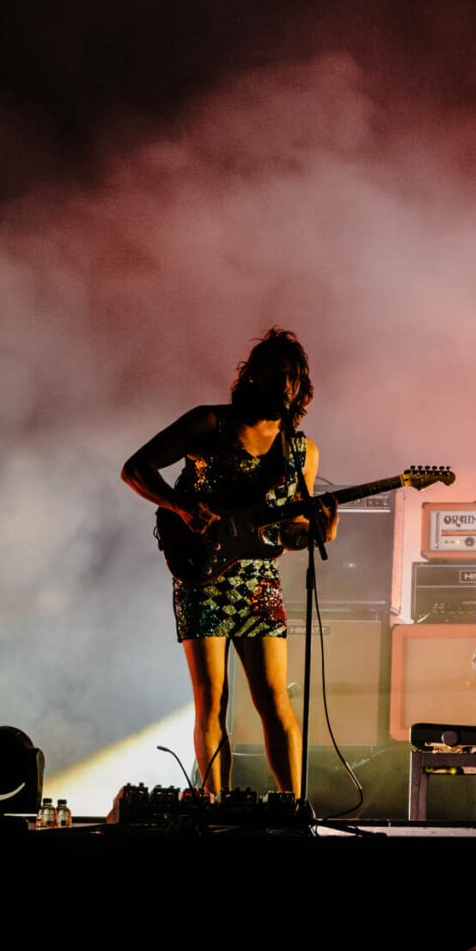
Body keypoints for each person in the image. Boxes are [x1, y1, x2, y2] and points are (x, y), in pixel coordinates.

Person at [121, 328, 339, 796]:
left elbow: (292, 532)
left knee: (276, 702)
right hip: (201, 574)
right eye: (278, 374)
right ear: (253, 376)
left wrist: (320, 530)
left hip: (259, 580)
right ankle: (212, 810)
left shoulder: (302, 451)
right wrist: (180, 507)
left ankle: (293, 807)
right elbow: (136, 468)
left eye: (295, 378)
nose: (286, 385)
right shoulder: (210, 424)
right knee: (211, 702)